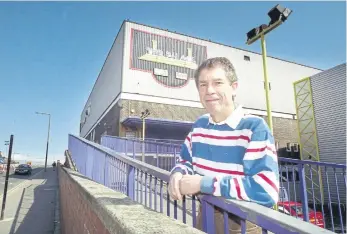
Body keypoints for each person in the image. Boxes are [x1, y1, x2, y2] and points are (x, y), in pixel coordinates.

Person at [168, 57, 279, 234]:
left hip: (241, 223)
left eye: (217, 83)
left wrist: (203, 184)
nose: (209, 90)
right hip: (204, 214)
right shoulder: (199, 125)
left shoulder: (254, 128)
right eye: (203, 85)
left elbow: (266, 189)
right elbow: (186, 161)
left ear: (234, 88)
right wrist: (178, 173)